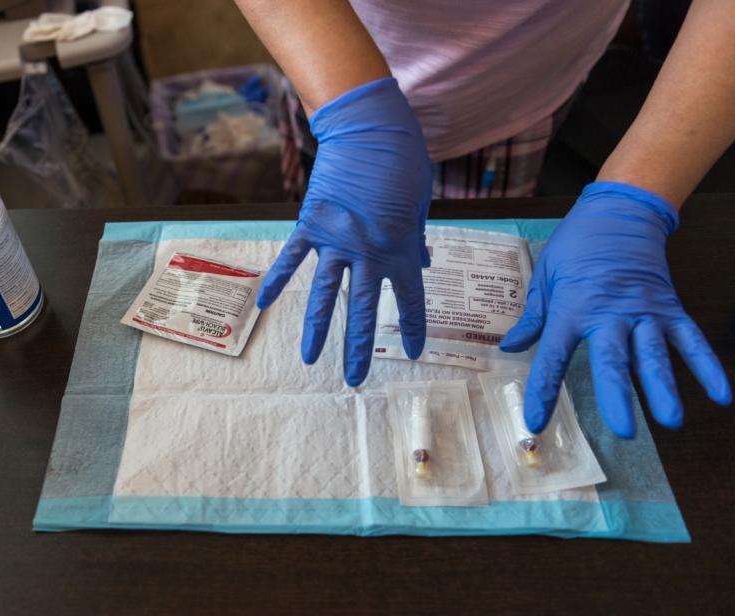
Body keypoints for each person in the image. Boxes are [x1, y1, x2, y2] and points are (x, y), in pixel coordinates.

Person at [234, 0, 733, 438]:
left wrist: (638, 195)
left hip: (516, 86)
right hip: (323, 68)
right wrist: (350, 110)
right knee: (329, 235)